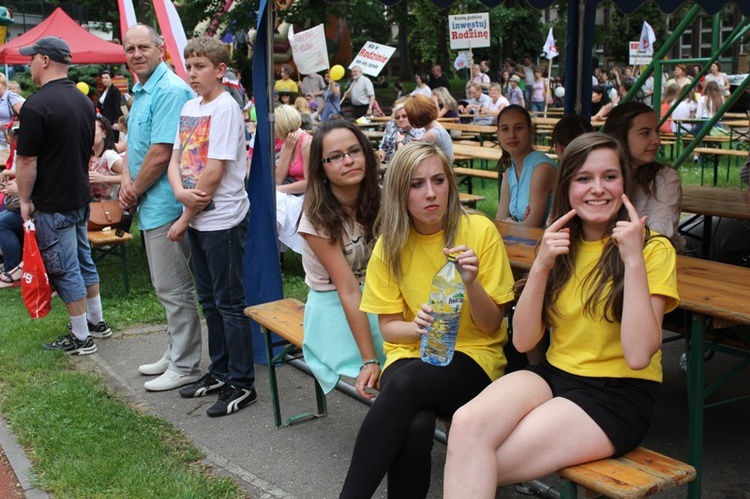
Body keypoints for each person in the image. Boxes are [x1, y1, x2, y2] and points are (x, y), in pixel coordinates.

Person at [443, 132, 680, 497]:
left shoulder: (652, 249)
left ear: (624, 184)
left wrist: (632, 258)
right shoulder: (558, 244)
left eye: (609, 177)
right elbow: (523, 341)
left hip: (616, 394)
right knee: (466, 424)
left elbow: (637, 356)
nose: (597, 189)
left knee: (479, 460)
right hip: (554, 375)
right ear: (567, 186)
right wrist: (540, 266)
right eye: (583, 178)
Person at [340, 141, 515, 498]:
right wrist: (416, 327)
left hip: (473, 358)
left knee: (405, 387)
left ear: (450, 183)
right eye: (416, 184)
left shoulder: (479, 231)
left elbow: (491, 327)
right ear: (400, 193)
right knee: (416, 422)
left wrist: (473, 284)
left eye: (439, 180)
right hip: (409, 356)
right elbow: (389, 328)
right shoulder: (390, 246)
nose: (431, 193)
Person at [164, 36, 256, 417]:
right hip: (197, 215)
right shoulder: (189, 106)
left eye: (201, 66)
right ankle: (218, 371)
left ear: (220, 70)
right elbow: (175, 157)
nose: (193, 73)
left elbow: (215, 171)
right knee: (210, 302)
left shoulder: (226, 109)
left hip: (222, 219)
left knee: (230, 303)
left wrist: (185, 214)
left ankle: (242, 382)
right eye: (189, 65)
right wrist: (178, 192)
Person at [15, 36, 111, 354]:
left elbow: (27, 160)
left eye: (31, 59)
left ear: (44, 60)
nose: (28, 64)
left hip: (53, 201)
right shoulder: (84, 103)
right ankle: (97, 322)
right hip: (79, 197)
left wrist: (25, 200)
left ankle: (82, 337)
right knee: (83, 260)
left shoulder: (36, 105)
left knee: (64, 267)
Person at [120, 24, 202, 390]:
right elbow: (134, 146)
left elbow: (161, 152)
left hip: (166, 204)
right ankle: (175, 351)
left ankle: (185, 365)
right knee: (166, 287)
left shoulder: (168, 89)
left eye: (143, 47)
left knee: (174, 288)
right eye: (130, 48)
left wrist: (133, 190)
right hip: (151, 203)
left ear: (160, 49)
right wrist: (125, 180)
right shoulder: (142, 89)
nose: (136, 54)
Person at [299, 120, 386, 397]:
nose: (348, 161)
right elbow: (348, 289)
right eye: (335, 157)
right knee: (396, 355)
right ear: (321, 169)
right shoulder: (316, 216)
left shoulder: (383, 199)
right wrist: (369, 359)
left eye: (354, 151)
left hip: (379, 296)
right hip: (334, 304)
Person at [603, 102, 683, 251]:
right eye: (645, 133)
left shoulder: (664, 177)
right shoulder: (597, 174)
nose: (656, 140)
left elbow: (659, 235)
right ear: (619, 136)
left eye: (656, 132)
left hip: (652, 261)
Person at [495, 105, 557, 227]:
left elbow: (531, 227)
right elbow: (499, 223)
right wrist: (509, 223)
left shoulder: (541, 168)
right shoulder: (509, 174)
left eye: (518, 128)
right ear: (498, 134)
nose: (512, 135)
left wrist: (509, 222)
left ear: (530, 131)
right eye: (505, 129)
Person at [275, 104, 311, 254]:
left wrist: (278, 189)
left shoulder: (307, 143)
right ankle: (271, 251)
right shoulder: (287, 144)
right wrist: (288, 150)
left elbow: (310, 183)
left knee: (275, 198)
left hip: (308, 195)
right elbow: (278, 178)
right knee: (273, 200)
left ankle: (270, 249)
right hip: (292, 192)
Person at [404, 93, 453, 163]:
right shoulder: (437, 127)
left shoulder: (432, 134)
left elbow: (411, 159)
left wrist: (399, 142)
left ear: (416, 116)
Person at [89, 115, 123, 201]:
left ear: (104, 133)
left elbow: (130, 176)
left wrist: (103, 178)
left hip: (108, 209)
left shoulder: (109, 155)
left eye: (94, 130)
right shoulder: (90, 155)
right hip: (91, 206)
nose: (89, 133)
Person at [0, 72, 24, 151]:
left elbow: (29, 115)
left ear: (4, 85)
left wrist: (11, 124)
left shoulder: (12, 97)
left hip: (9, 142)